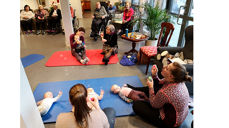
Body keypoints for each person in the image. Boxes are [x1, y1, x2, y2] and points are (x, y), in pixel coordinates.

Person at [128, 62, 192, 127]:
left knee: (136, 105)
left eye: (167, 68)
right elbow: (159, 83)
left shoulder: (166, 92)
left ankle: (138, 94)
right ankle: (134, 89)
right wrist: (154, 75)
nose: (164, 67)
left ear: (171, 76)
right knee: (154, 87)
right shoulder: (177, 80)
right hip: (180, 115)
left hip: (171, 122)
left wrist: (151, 88)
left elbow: (154, 104)